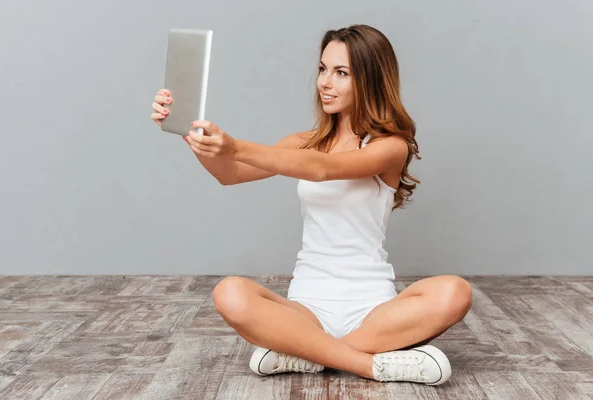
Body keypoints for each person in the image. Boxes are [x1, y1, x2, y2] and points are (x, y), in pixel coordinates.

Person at [150, 24, 472, 385]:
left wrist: (236, 145)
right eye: (322, 69)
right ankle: (368, 364)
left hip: (373, 309)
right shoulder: (304, 142)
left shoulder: (389, 147)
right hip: (307, 307)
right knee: (229, 293)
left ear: (370, 80)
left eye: (341, 73)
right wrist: (187, 131)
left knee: (455, 292)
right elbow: (230, 174)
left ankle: (305, 352)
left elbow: (323, 169)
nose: (325, 83)